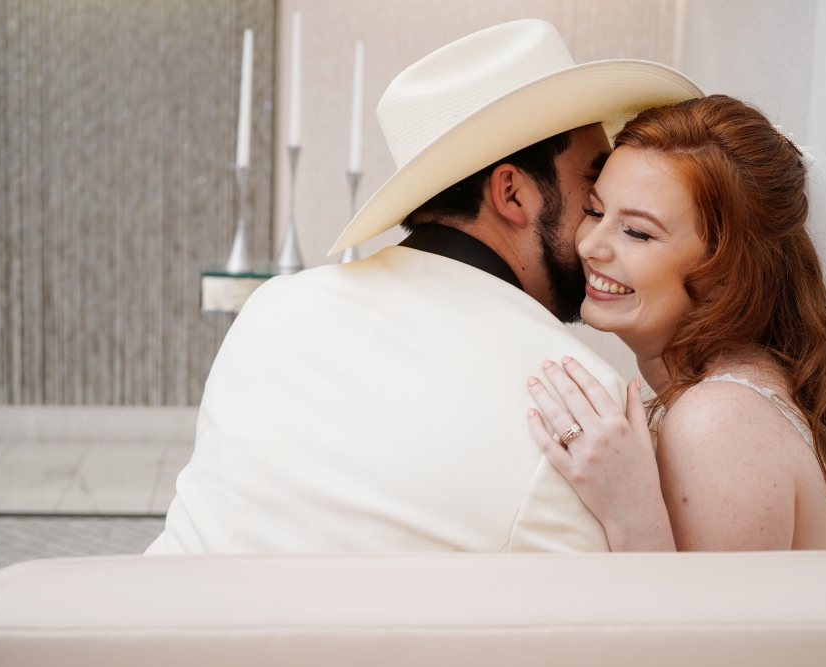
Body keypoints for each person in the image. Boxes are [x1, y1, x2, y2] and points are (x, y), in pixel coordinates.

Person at [146, 20, 702, 554]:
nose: (601, 217)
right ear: (512, 194)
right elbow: (611, 614)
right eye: (594, 183)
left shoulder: (276, 303)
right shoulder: (576, 411)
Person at [526, 94, 826, 552]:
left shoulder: (717, 421)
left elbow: (706, 605)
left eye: (637, 232)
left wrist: (630, 512)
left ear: (728, 273)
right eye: (595, 211)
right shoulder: (740, 393)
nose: (589, 245)